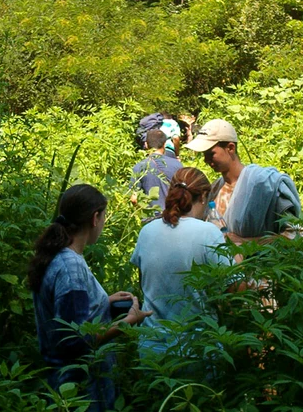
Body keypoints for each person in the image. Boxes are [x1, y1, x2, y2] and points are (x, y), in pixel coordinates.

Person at [28, 184, 151, 411]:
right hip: (80, 388)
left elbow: (68, 313)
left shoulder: (60, 255)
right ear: (95, 218)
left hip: (68, 384)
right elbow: (75, 341)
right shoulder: (70, 267)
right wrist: (127, 323)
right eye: (103, 216)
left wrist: (103, 301)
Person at [130, 168, 232, 357]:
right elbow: (234, 290)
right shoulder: (209, 233)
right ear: (203, 197)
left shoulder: (147, 231)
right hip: (198, 350)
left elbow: (145, 284)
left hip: (151, 347)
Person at [184, 119, 302, 244]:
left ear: (230, 148)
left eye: (210, 154)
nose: (206, 160)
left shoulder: (264, 185)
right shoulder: (215, 189)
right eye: (204, 155)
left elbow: (295, 235)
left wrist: (245, 242)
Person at [130, 129, 183, 210]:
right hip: (173, 215)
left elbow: (134, 198)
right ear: (164, 144)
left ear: (146, 144)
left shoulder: (139, 167)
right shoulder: (178, 165)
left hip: (151, 218)